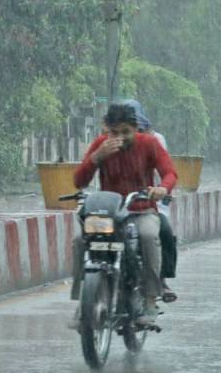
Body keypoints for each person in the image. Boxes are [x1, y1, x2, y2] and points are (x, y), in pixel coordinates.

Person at [70, 103, 178, 327]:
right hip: (108, 213)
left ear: (135, 128)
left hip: (141, 210)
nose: (120, 138)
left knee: (148, 236)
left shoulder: (149, 143)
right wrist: (96, 157)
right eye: (114, 133)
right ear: (107, 130)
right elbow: (79, 181)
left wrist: (162, 188)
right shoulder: (100, 145)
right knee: (80, 239)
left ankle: (150, 299)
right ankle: (83, 302)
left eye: (125, 132)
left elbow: (169, 173)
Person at [123, 99, 178, 303]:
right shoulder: (109, 142)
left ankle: (161, 280)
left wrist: (162, 189)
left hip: (148, 202)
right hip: (118, 205)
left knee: (163, 231)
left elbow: (166, 172)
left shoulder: (155, 141)